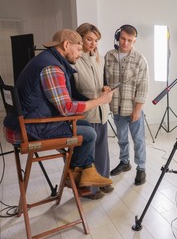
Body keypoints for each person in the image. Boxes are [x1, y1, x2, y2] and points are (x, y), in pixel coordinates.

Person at [3, 29, 115, 188]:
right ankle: (72, 172)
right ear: (66, 44)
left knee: (85, 126)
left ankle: (86, 171)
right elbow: (67, 108)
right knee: (90, 134)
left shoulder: (45, 59)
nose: (79, 53)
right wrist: (99, 101)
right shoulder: (52, 68)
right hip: (29, 129)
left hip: (25, 122)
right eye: (78, 49)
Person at [72, 23, 113, 199]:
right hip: (87, 113)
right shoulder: (74, 60)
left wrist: (105, 88)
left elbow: (101, 81)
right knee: (90, 153)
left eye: (95, 40)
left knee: (102, 150)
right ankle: (89, 190)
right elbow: (74, 90)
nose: (93, 43)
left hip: (102, 110)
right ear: (80, 38)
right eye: (89, 39)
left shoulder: (99, 58)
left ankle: (103, 181)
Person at [104, 24, 149, 185]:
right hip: (116, 107)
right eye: (123, 38)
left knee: (138, 140)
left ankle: (141, 168)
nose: (125, 43)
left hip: (133, 109)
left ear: (134, 41)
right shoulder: (108, 56)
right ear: (118, 37)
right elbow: (104, 80)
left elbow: (143, 87)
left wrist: (137, 109)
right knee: (122, 138)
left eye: (129, 40)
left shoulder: (140, 60)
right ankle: (125, 162)